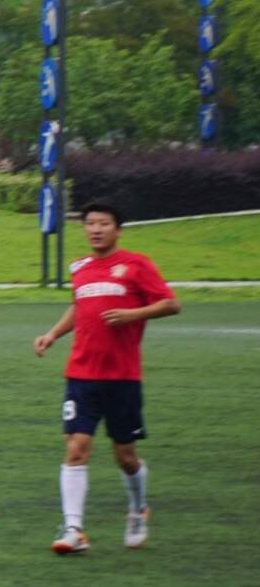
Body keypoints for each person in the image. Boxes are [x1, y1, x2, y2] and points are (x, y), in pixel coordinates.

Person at [34, 200, 179, 555]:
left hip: (122, 377)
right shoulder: (80, 267)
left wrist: (134, 314)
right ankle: (73, 529)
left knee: (125, 456)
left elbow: (171, 303)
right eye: (90, 223)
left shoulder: (136, 265)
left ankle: (137, 508)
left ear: (118, 229)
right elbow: (79, 305)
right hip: (81, 375)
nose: (96, 229)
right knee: (76, 448)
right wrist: (53, 334)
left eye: (104, 223)